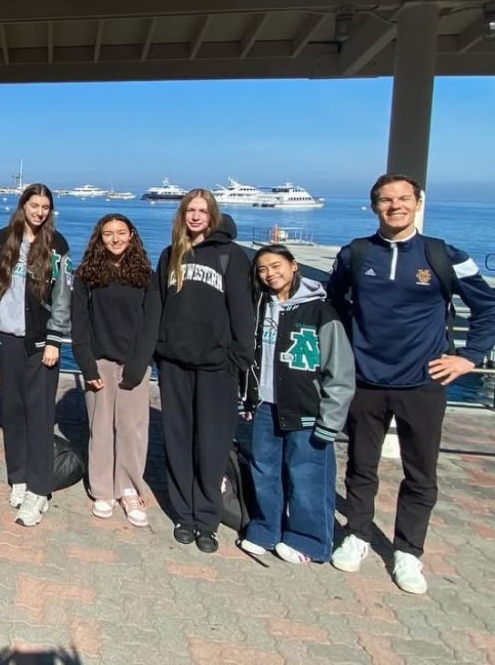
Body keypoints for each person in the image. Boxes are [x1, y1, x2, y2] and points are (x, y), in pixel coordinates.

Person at [327, 173, 495, 593]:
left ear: (417, 203)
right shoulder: (355, 254)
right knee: (360, 467)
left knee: (420, 473)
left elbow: (488, 307)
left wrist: (468, 357)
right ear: (374, 206)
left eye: (403, 198)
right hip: (366, 381)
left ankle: (408, 551)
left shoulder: (444, 255)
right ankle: (359, 535)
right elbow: (334, 303)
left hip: (423, 382)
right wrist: (347, 353)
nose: (394, 206)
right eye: (385, 200)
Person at [137, 189, 253, 553]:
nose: (196, 216)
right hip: (175, 365)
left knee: (212, 444)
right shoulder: (171, 255)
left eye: (203, 211)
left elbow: (242, 311)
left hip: (218, 369)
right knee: (178, 440)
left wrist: (238, 358)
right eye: (190, 210)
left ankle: (207, 517)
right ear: (182, 215)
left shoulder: (230, 256)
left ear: (213, 215)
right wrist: (156, 350)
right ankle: (184, 515)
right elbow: (156, 305)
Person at [239, 245, 355, 564]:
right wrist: (247, 395)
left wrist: (332, 418)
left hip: (306, 406)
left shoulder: (321, 311)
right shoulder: (261, 306)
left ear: (293, 265)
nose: (270, 273)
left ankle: (310, 539)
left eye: (276, 266)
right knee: (265, 470)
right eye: (262, 269)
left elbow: (339, 369)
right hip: (265, 404)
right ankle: (266, 528)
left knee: (308, 475)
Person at [0, 183, 73, 527]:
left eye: (45, 206)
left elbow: (63, 296)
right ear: (23, 206)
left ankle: (39, 489)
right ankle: (18, 477)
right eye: (34, 205)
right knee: (13, 409)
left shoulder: (57, 246)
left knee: (40, 413)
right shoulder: (2, 238)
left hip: (39, 342)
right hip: (5, 337)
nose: (39, 211)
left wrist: (54, 340)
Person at [71, 214, 152, 528]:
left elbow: (150, 325)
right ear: (99, 238)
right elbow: (79, 325)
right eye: (108, 234)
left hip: (134, 362)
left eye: (121, 232)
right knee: (101, 427)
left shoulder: (146, 276)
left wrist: (139, 363)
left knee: (132, 429)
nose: (115, 239)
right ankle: (103, 488)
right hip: (99, 362)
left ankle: (129, 487)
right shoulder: (86, 276)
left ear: (131, 234)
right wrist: (86, 364)